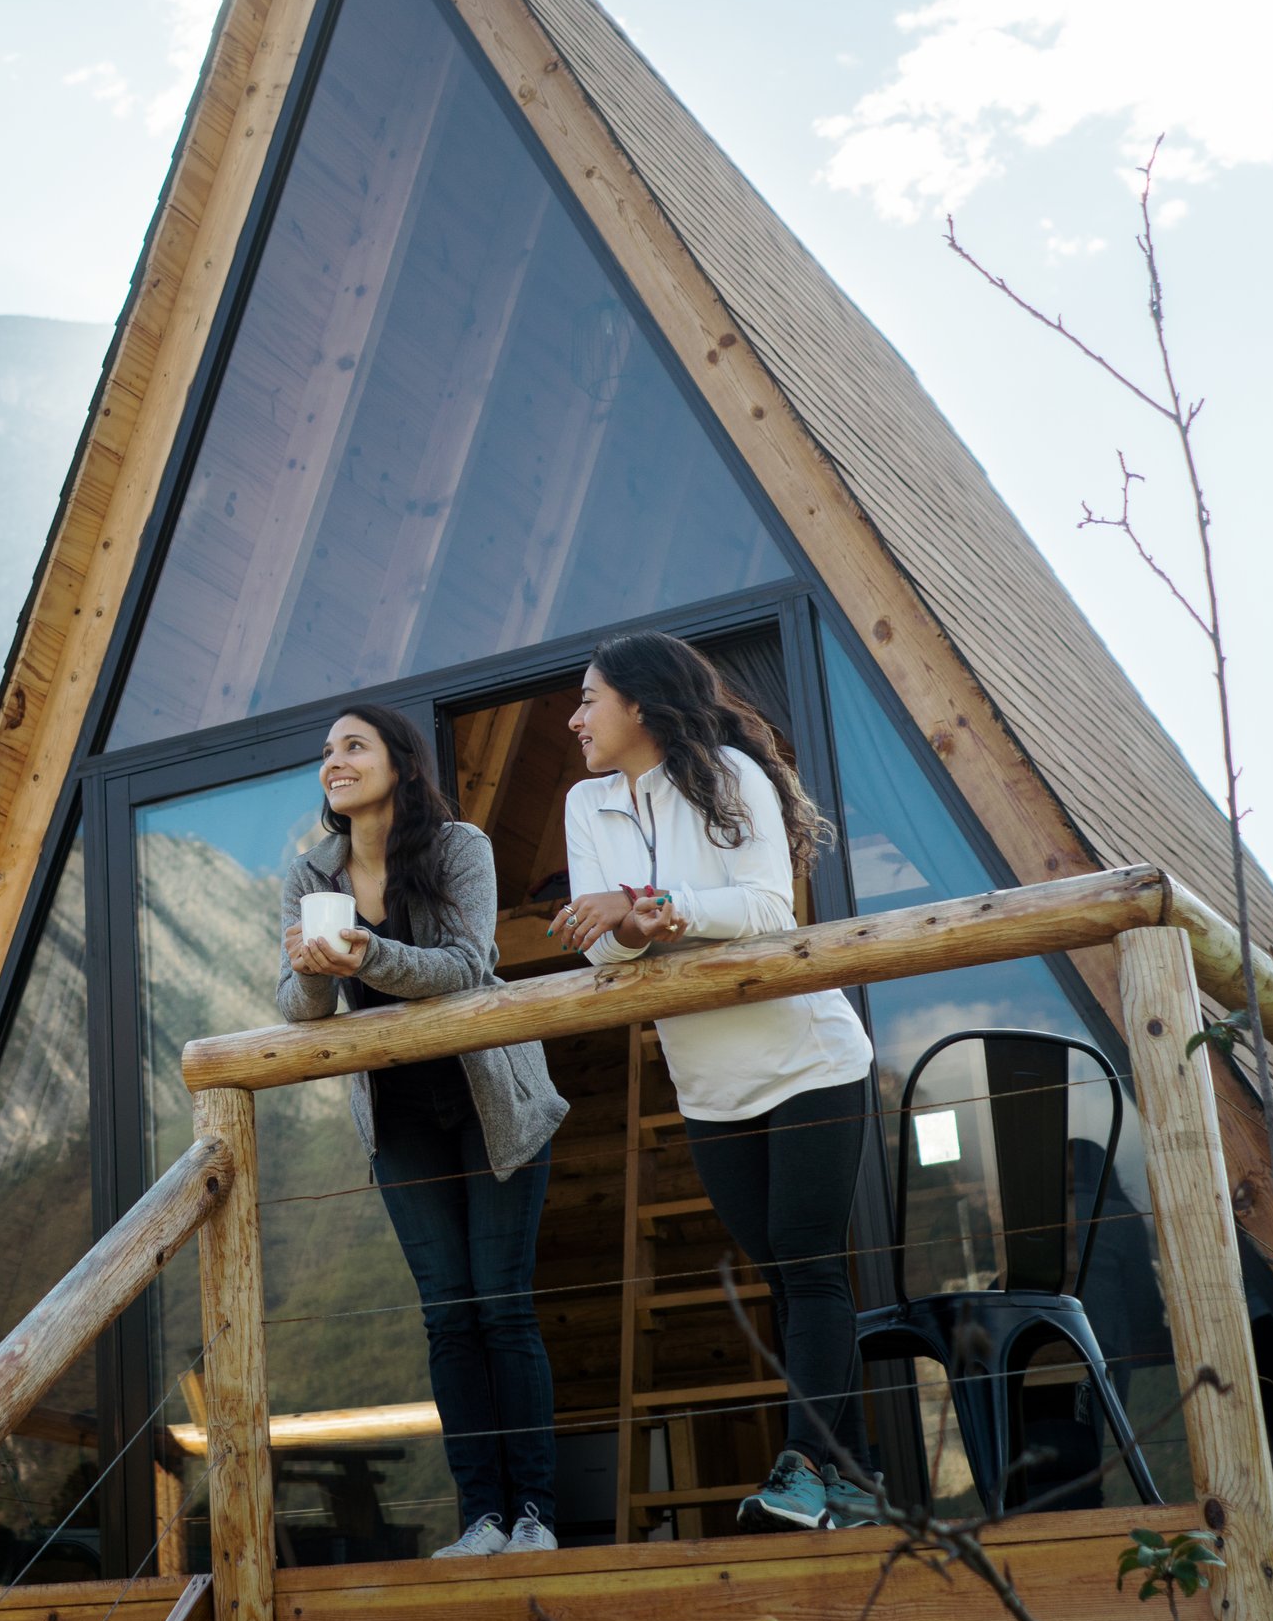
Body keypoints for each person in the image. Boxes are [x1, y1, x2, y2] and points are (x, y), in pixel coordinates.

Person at [550, 631, 878, 1533]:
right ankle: (851, 1481)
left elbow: (770, 909)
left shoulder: (733, 776)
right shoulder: (588, 805)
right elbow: (604, 947)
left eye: (589, 699)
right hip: (707, 1082)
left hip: (809, 1059)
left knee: (807, 1266)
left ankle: (804, 1469)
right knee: (781, 1271)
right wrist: (631, 924)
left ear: (641, 705)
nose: (575, 717)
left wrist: (650, 910)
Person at [280, 703, 571, 1558]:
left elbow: (467, 967)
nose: (334, 760)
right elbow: (300, 1009)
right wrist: (307, 968)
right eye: (327, 749)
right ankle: (481, 1517)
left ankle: (536, 1518)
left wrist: (367, 955)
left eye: (353, 745)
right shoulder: (312, 874)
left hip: (494, 1102)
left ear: (400, 762)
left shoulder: (458, 848)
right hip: (400, 1116)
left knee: (501, 1305)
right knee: (447, 1315)